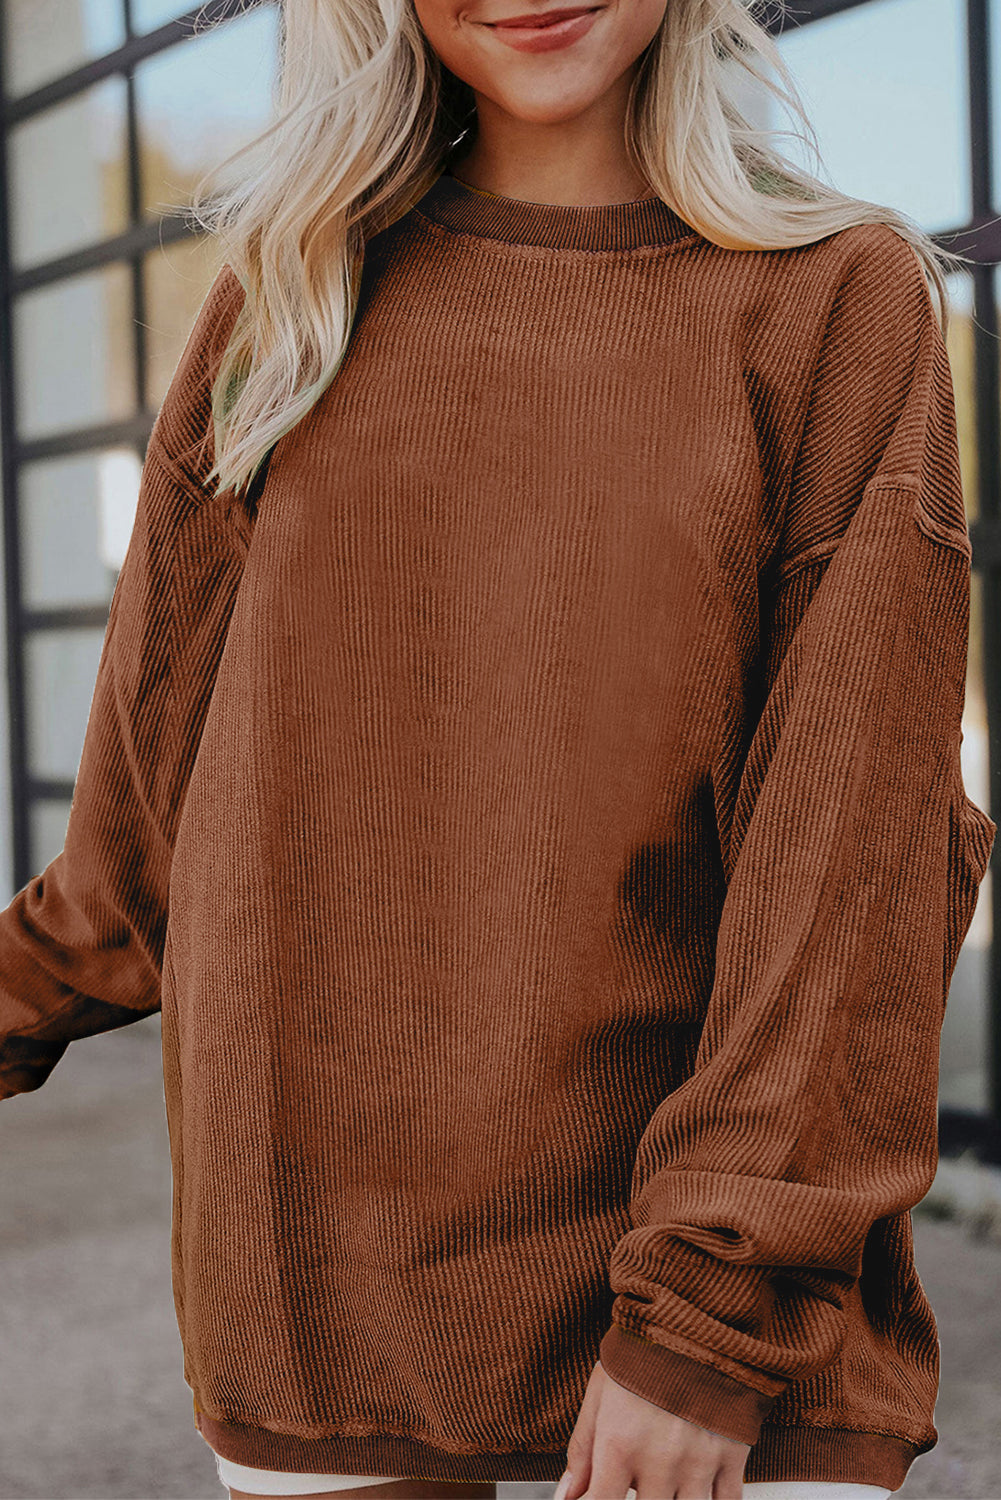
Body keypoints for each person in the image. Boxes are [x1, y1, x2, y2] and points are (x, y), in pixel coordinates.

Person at [0, 0, 993, 1497]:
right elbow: (138, 845)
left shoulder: (834, 299)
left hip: (705, 1349)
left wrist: (709, 1324)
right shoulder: (289, 298)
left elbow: (855, 856)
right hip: (317, 1308)